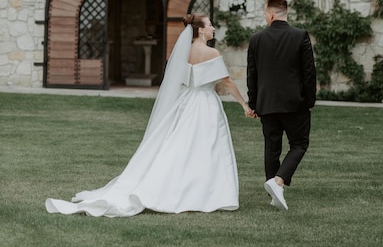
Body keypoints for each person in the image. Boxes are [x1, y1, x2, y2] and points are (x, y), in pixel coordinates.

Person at [46, 13, 253, 217]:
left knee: (182, 146)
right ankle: (205, 192)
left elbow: (179, 81)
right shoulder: (212, 54)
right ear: (200, 30)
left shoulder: (184, 52)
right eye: (210, 25)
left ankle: (187, 188)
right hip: (205, 104)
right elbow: (226, 81)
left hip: (187, 102)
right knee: (206, 147)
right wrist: (244, 104)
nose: (213, 28)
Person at [247, 0, 316, 211]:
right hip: (295, 102)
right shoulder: (300, 36)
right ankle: (277, 182)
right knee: (299, 144)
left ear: (271, 14)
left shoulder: (256, 39)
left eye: (265, 13)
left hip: (267, 103)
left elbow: (252, 75)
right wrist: (310, 100)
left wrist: (254, 103)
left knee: (272, 148)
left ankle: (274, 191)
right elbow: (309, 73)